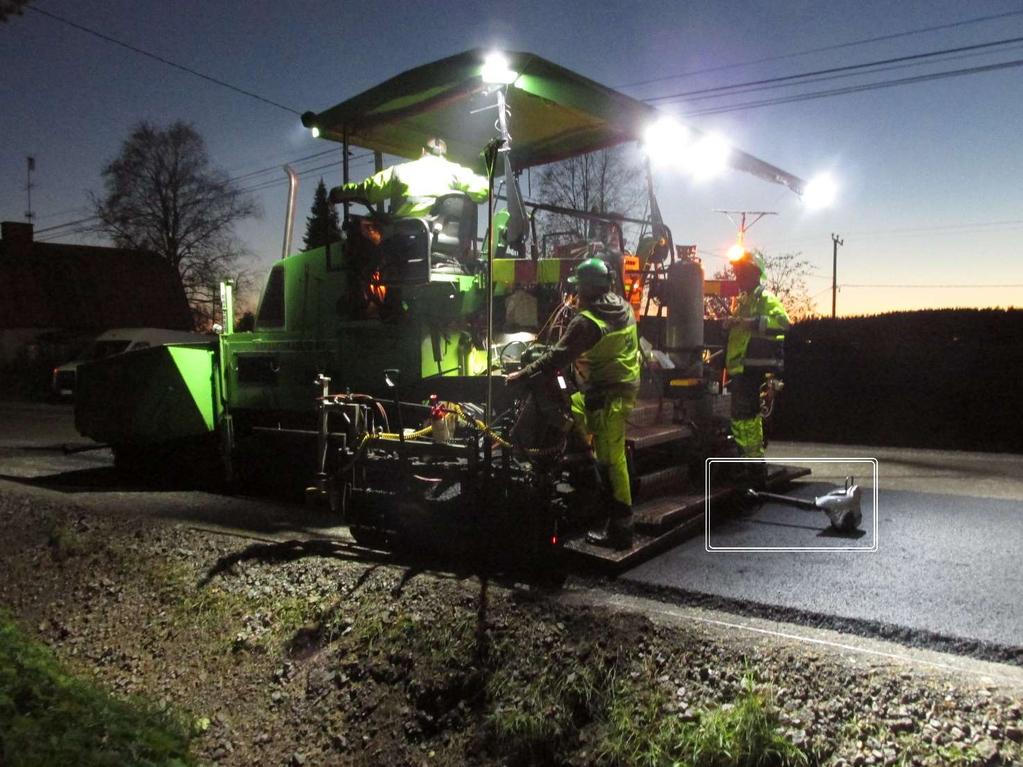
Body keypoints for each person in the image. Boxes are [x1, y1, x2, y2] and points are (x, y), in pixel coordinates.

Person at [507, 258, 641, 549]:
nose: (575, 295)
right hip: (618, 387)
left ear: (587, 289)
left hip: (609, 395)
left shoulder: (586, 322)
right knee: (571, 413)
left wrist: (522, 374)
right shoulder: (620, 306)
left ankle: (621, 530)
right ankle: (584, 481)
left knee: (610, 462)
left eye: (578, 289)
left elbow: (556, 358)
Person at [724, 251, 790, 461]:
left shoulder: (765, 298)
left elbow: (784, 323)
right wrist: (730, 323)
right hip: (743, 368)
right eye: (736, 273)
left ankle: (751, 461)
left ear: (753, 274)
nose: (737, 277)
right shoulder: (745, 300)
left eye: (741, 273)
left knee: (746, 418)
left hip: (754, 368)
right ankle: (748, 459)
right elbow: (741, 329)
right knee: (743, 418)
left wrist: (752, 322)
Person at [329, 137, 488, 218]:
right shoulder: (458, 172)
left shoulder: (400, 172)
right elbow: (484, 191)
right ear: (444, 154)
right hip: (450, 243)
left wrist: (337, 193)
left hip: (405, 241)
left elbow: (367, 191)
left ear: (423, 150)